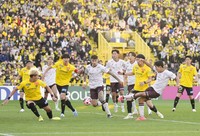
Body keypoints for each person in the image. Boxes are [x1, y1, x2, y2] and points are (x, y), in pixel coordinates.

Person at [123, 54, 153, 121]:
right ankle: (130, 114)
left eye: (138, 59)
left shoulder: (147, 68)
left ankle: (150, 113)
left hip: (144, 88)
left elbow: (150, 79)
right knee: (128, 98)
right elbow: (133, 73)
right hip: (136, 87)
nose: (137, 61)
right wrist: (125, 74)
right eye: (136, 59)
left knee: (147, 103)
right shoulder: (135, 66)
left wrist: (144, 82)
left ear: (142, 60)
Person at [122, 52, 138, 119]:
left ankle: (149, 110)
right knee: (130, 97)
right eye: (129, 56)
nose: (129, 57)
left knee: (142, 98)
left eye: (131, 56)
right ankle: (133, 112)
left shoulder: (137, 63)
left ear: (134, 57)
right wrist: (125, 80)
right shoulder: (126, 63)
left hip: (137, 83)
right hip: (130, 83)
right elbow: (124, 72)